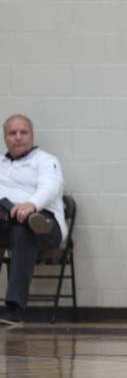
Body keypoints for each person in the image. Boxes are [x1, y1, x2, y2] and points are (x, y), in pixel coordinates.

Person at [0, 114, 65, 326]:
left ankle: (14, 308)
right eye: (12, 133)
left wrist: (31, 205)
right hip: (6, 219)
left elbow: (50, 187)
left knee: (23, 231)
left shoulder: (46, 161)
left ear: (32, 135)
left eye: (23, 132)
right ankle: (19, 217)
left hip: (46, 225)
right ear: (5, 138)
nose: (18, 137)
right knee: (14, 221)